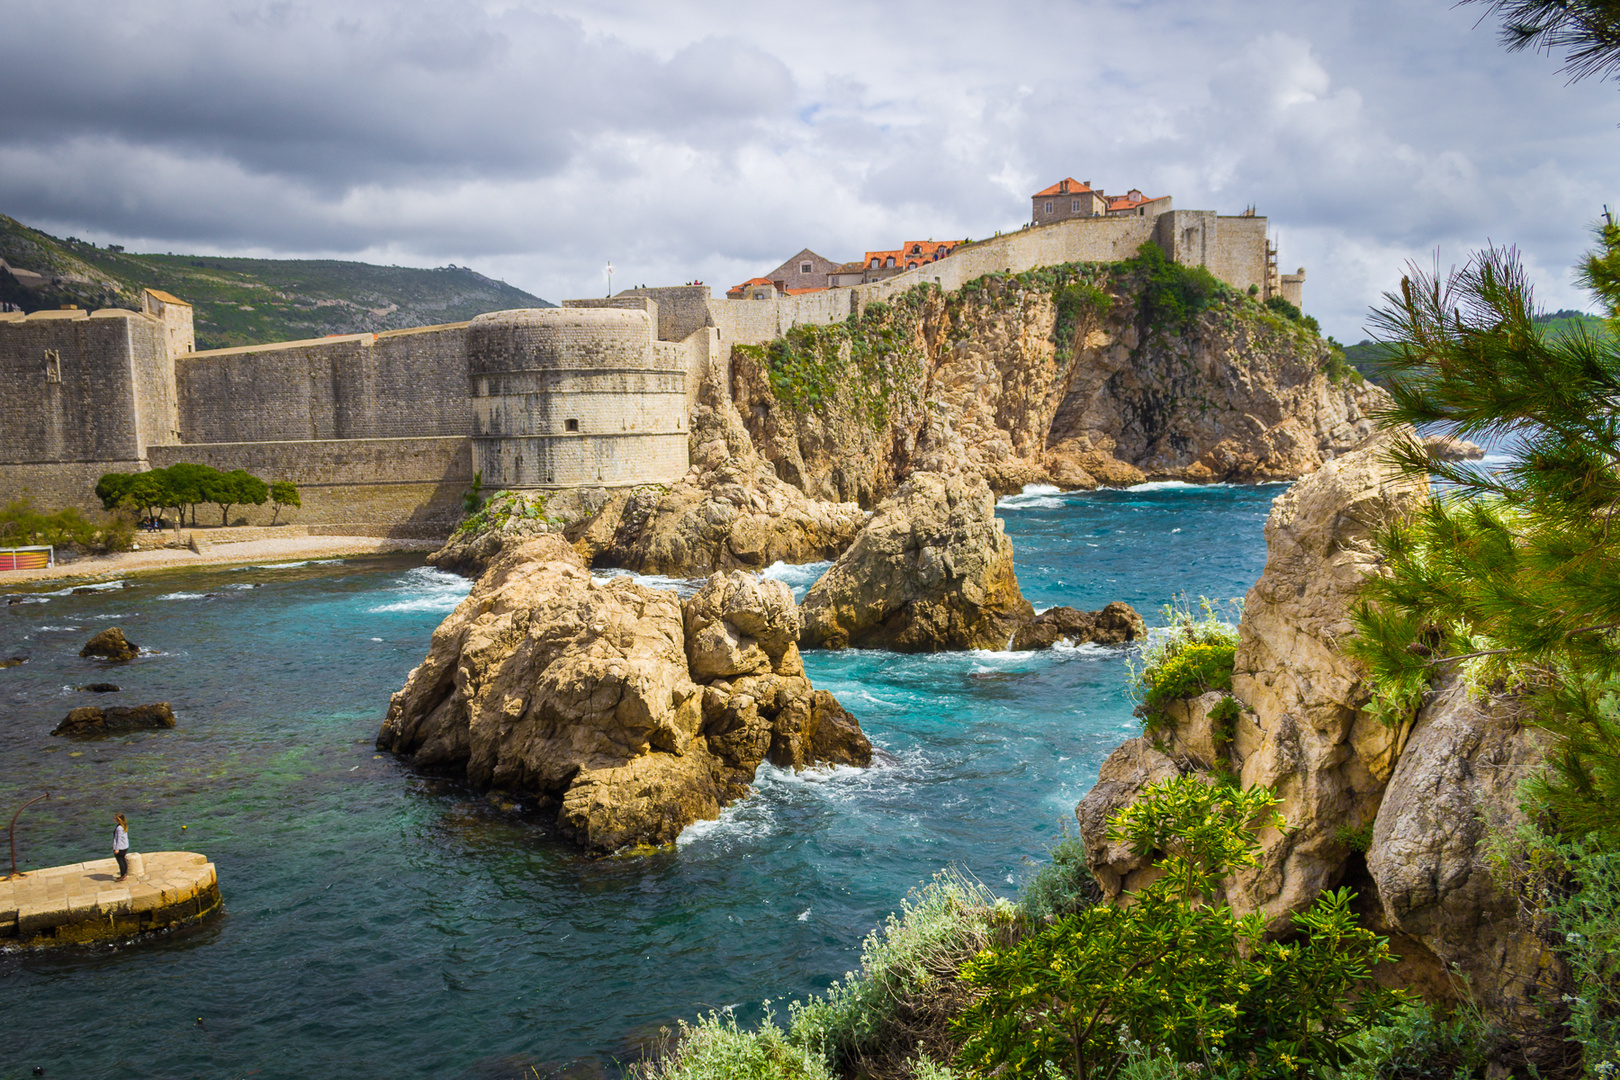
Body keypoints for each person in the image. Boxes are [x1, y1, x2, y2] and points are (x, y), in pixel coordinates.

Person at [112, 813, 129, 880]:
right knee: (123, 860)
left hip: (120, 847)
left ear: (118, 819)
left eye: (115, 818)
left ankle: (122, 876)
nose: (113, 819)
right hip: (125, 846)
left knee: (120, 861)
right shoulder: (124, 826)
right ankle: (125, 873)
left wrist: (116, 849)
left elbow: (118, 839)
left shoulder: (119, 828)